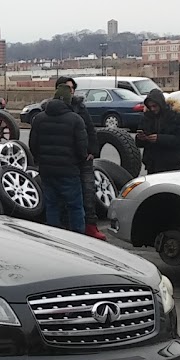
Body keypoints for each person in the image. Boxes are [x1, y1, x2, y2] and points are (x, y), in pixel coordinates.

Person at [55, 77, 107, 241]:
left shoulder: (80, 107)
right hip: (65, 160)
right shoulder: (50, 109)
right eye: (66, 88)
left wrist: (92, 150)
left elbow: (90, 130)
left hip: (83, 158)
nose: (70, 91)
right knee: (63, 196)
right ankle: (66, 227)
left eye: (72, 88)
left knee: (88, 191)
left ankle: (90, 226)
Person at [28, 91, 89, 232]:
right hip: (69, 171)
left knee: (52, 205)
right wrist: (80, 161)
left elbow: (33, 144)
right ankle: (79, 236)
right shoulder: (76, 119)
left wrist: (40, 160)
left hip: (47, 171)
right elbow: (82, 147)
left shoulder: (39, 118)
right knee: (75, 206)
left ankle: (54, 236)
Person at [136, 90, 180, 174]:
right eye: (150, 106)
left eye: (154, 106)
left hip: (171, 164)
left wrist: (159, 138)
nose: (152, 109)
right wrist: (141, 138)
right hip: (152, 163)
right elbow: (139, 143)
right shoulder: (147, 117)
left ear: (160, 104)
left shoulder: (176, 116)